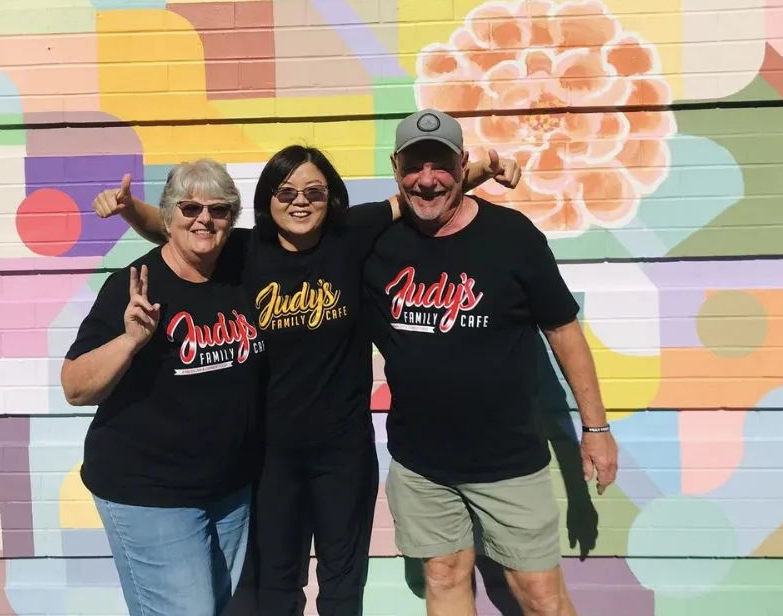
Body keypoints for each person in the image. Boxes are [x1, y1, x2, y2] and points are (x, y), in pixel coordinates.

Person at [91, 144, 522, 616]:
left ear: (330, 197)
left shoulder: (351, 235)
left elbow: (421, 195)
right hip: (270, 454)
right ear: (268, 199)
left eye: (314, 191)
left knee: (342, 583)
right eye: (286, 191)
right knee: (277, 585)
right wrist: (131, 209)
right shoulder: (244, 249)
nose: (300, 201)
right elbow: (177, 227)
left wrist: (483, 171)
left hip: (343, 451)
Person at [361, 109, 620, 616]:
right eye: (414, 165)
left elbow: (563, 330)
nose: (427, 179)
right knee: (444, 575)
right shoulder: (377, 244)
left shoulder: (511, 236)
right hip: (421, 463)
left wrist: (596, 428)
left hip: (508, 461)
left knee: (542, 596)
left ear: (462, 164)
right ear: (395, 167)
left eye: (441, 164)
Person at [61, 158, 267, 616]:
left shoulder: (240, 269)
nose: (203, 219)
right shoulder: (134, 285)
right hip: (149, 490)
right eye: (189, 208)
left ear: (231, 219)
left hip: (229, 491)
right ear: (170, 216)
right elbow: (74, 387)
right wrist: (130, 341)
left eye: (217, 210)